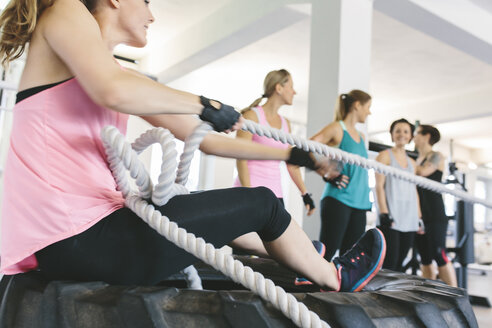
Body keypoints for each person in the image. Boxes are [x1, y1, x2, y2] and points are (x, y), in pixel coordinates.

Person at [0, 0, 385, 293]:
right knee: (263, 203)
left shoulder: (122, 76)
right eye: (147, 1)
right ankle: (335, 277)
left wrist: (291, 154)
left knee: (216, 204)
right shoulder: (66, 11)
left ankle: (306, 257)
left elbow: (211, 142)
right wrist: (204, 104)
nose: (152, 14)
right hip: (77, 237)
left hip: (89, 236)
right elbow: (112, 90)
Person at [235, 69, 315, 215]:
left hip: (276, 194)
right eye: (291, 87)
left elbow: (290, 162)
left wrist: (305, 194)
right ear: (279, 88)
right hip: (251, 190)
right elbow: (241, 158)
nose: (294, 92)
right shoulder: (252, 116)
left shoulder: (286, 124)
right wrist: (249, 194)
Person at [310, 90, 372, 261]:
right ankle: (310, 286)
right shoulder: (337, 128)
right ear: (357, 105)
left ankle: (338, 288)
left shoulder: (361, 135)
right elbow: (308, 147)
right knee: (327, 252)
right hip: (339, 199)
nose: (369, 112)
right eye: (368, 107)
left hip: (360, 203)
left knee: (350, 258)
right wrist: (326, 173)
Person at [413, 124, 457, 287]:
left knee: (439, 254)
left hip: (435, 213)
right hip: (419, 213)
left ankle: (456, 298)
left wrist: (402, 160)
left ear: (427, 136)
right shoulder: (415, 159)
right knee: (424, 257)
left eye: (417, 133)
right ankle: (430, 297)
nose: (414, 136)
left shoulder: (436, 156)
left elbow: (423, 172)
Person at [375, 118, 420, 271]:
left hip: (410, 216)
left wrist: (419, 217)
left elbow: (414, 190)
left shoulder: (413, 163)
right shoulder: (384, 156)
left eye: (406, 131)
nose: (402, 134)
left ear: (410, 136)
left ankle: (395, 294)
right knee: (390, 262)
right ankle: (383, 294)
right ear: (392, 135)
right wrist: (384, 213)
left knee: (401, 261)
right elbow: (379, 186)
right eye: (398, 131)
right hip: (392, 214)